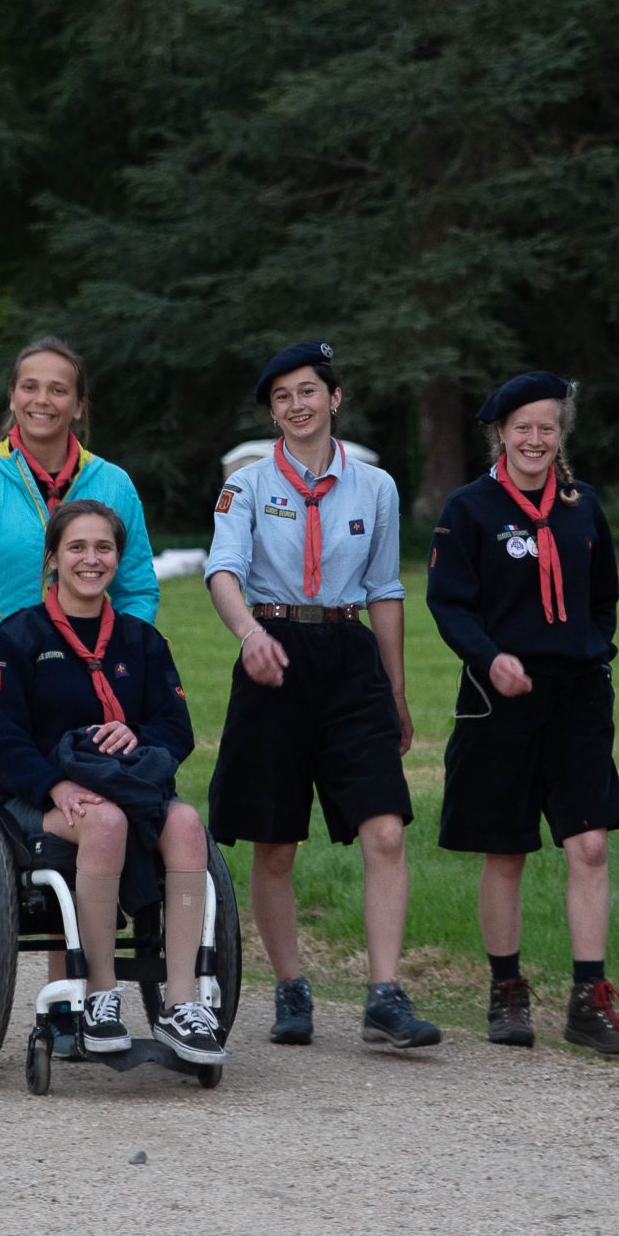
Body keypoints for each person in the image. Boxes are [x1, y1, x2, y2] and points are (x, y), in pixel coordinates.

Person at [203, 341, 440, 1050]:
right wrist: (248, 635)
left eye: (308, 391)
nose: (297, 406)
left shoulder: (377, 488)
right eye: (282, 398)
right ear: (273, 412)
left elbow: (386, 592)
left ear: (335, 398)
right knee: (276, 843)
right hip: (272, 651)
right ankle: (291, 987)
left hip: (347, 656)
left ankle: (384, 994)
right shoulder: (246, 487)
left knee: (386, 827)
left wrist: (395, 691)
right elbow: (222, 571)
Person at [425, 370, 619, 1054]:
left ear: (560, 434)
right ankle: (507, 990)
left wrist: (594, 654)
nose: (535, 438)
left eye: (547, 427)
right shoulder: (469, 509)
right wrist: (491, 658)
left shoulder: (583, 505)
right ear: (500, 433)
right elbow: (449, 602)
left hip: (577, 697)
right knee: (507, 850)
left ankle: (589, 1000)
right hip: (500, 697)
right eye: (522, 427)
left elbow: (604, 593)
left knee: (590, 843)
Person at [0, 500, 224, 1064]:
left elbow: (175, 728)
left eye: (104, 548)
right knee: (104, 821)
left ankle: (182, 1004)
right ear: (54, 559)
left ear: (119, 557)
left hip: (127, 782)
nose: (92, 559)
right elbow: (3, 741)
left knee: (186, 825)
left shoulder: (141, 641)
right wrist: (54, 787)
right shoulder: (17, 638)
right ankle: (99, 995)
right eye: (78, 548)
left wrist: (136, 737)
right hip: (40, 795)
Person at [0, 335, 159, 740]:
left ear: (78, 406)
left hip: (94, 695)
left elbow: (139, 591)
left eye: (58, 390)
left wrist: (119, 662)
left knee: (95, 804)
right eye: (30, 387)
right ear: (12, 397)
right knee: (10, 804)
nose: (41, 400)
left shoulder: (114, 484)